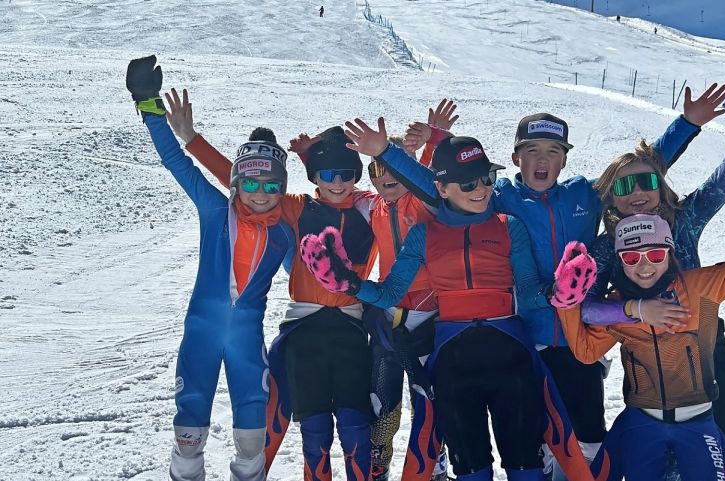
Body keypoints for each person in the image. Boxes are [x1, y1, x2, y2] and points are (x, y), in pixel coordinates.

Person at [389, 89, 725, 479]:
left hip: (575, 338)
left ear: (564, 159)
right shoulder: (499, 198)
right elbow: (443, 185)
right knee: (531, 438)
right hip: (523, 338)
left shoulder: (584, 193)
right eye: (532, 151)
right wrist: (390, 152)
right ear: (516, 158)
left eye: (552, 151)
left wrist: (688, 124)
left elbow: (635, 174)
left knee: (586, 435)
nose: (542, 160)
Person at [303, 123, 599, 481]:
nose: (482, 190)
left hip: (512, 357)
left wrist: (559, 294)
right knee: (470, 465)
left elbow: (529, 293)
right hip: (453, 362)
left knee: (525, 462)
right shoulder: (424, 235)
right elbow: (388, 294)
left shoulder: (508, 226)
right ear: (441, 188)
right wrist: (349, 283)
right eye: (469, 183)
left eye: (487, 179)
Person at [583, 67, 725, 479]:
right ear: (610, 199)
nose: (638, 194)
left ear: (661, 186)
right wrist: (637, 311)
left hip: (706, 339)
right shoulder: (607, 247)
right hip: (649, 357)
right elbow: (583, 307)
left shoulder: (685, 219)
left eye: (646, 183)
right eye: (624, 189)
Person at [165, 94, 378, 480]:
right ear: (315, 178)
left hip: (349, 325)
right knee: (302, 426)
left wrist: (415, 151)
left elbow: (402, 198)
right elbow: (251, 185)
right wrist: (192, 140)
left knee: (354, 426)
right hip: (302, 325)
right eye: (329, 175)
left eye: (349, 174)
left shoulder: (368, 207)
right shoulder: (294, 208)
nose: (340, 182)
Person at [125, 56, 296, 481]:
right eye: (251, 183)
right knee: (189, 429)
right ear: (236, 183)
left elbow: (312, 281)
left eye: (271, 185)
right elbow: (177, 164)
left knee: (252, 436)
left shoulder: (285, 235)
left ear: (283, 188)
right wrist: (148, 103)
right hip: (201, 333)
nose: (260, 194)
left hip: (245, 342)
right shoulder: (216, 210)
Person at [561, 151, 725, 481]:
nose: (644, 264)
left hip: (698, 422)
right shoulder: (620, 305)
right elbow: (585, 350)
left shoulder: (700, 288)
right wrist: (567, 305)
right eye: (632, 257)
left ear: (669, 251)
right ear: (619, 260)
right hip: (642, 422)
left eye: (654, 253)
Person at [365, 100, 460, 481]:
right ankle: (378, 465)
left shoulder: (421, 202)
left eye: (393, 167)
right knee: (383, 403)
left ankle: (433, 466)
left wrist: (435, 141)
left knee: (431, 401)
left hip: (431, 317)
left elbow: (432, 178)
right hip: (388, 319)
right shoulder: (369, 204)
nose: (385, 174)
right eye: (376, 167)